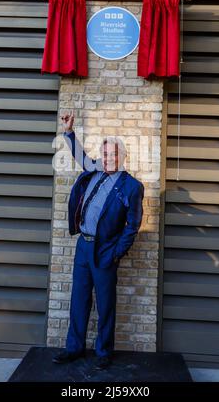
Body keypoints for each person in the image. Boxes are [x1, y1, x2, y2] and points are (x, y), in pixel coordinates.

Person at [53, 110, 144, 370]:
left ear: (123, 156)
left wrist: (116, 253)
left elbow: (133, 225)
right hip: (84, 246)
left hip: (105, 251)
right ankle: (75, 348)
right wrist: (69, 133)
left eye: (113, 154)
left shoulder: (131, 186)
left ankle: (104, 351)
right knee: (78, 299)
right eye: (104, 154)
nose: (108, 158)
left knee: (105, 304)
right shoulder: (94, 169)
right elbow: (81, 155)